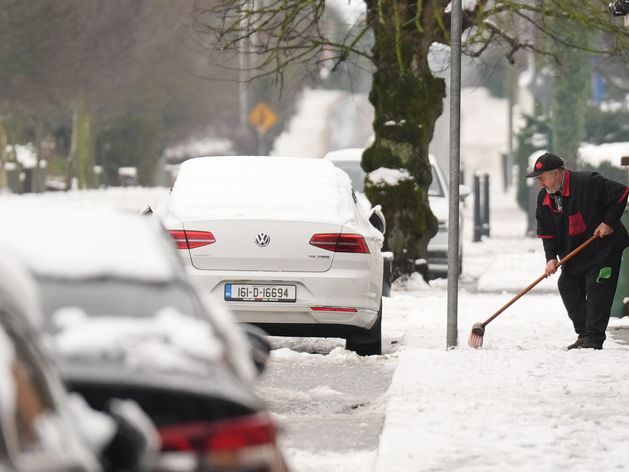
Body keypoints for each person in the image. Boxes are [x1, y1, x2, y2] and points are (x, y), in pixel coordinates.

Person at [528, 152, 629, 350]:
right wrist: (550, 258)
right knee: (567, 283)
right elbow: (547, 232)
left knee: (597, 287)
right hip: (576, 251)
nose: (540, 183)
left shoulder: (587, 182)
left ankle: (594, 338)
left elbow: (622, 193)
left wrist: (608, 222)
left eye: (542, 178)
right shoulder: (545, 198)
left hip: (604, 247)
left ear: (557, 173)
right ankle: (584, 333)